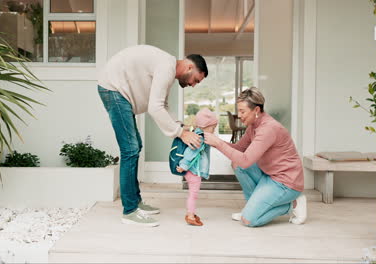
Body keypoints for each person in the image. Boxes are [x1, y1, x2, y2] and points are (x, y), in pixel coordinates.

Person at [98, 45, 208, 227]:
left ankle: (135, 201)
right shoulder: (166, 67)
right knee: (130, 149)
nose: (193, 85)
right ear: (189, 67)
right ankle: (130, 210)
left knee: (135, 147)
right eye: (196, 80)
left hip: (119, 92)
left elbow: (162, 104)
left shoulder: (167, 68)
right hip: (113, 89)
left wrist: (181, 126)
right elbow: (154, 108)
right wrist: (181, 134)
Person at [204, 87, 307, 227]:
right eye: (238, 110)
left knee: (249, 220)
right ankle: (252, 208)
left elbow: (246, 161)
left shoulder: (268, 129)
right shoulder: (253, 125)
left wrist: (217, 143)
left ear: (256, 110)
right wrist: (215, 141)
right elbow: (239, 149)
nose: (239, 115)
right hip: (270, 175)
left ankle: (292, 204)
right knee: (237, 164)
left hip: (286, 182)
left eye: (242, 111)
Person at [176, 108, 218, 226]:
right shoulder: (200, 138)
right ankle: (190, 215)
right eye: (213, 128)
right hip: (193, 171)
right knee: (193, 194)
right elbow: (191, 152)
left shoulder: (198, 134)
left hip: (192, 170)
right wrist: (184, 165)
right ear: (206, 126)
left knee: (193, 193)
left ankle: (191, 213)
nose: (214, 130)